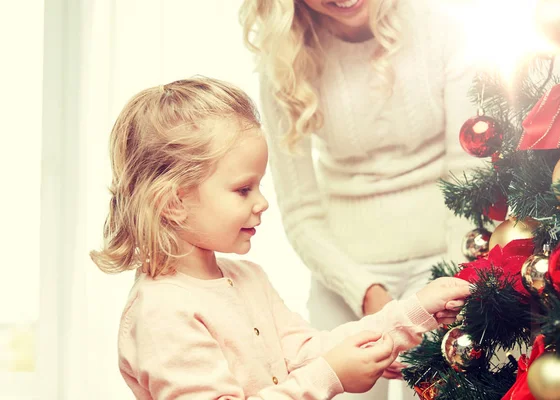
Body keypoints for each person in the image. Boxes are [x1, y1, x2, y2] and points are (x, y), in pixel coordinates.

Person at [90, 77, 472, 399]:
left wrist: (415, 312)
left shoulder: (248, 278)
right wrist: (331, 375)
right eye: (243, 189)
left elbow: (308, 352)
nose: (263, 203)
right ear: (174, 202)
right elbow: (322, 368)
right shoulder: (162, 312)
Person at [240, 1, 479, 398]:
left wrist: (450, 287)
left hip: (447, 259)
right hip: (346, 277)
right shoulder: (283, 62)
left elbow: (468, 174)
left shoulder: (443, 31)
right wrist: (369, 296)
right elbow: (301, 212)